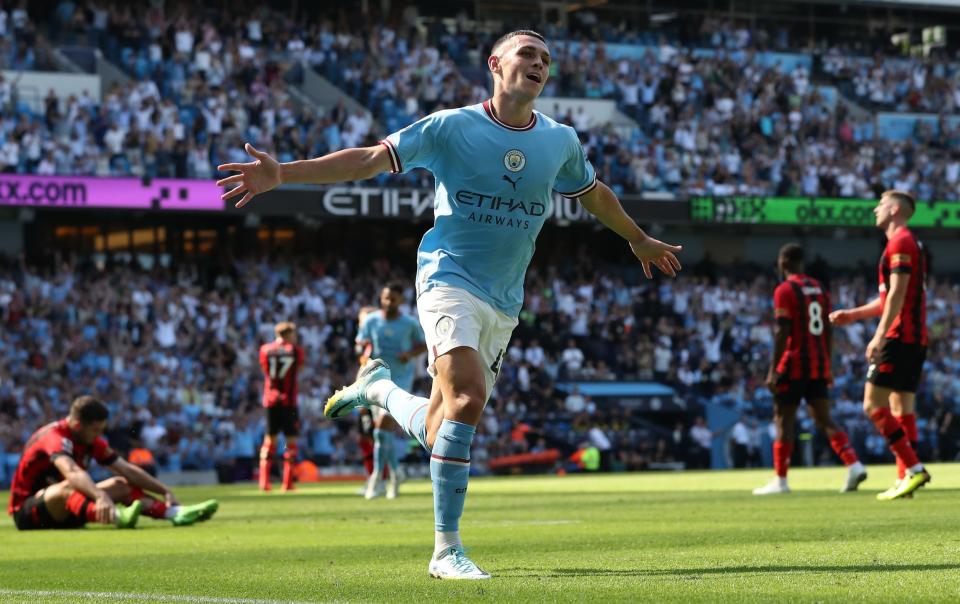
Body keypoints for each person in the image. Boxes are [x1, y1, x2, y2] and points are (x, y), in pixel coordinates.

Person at [218, 29, 682, 579]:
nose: (538, 64)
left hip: (504, 299)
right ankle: (446, 551)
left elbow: (593, 193)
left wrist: (636, 237)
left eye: (546, 59)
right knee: (468, 394)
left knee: (443, 426)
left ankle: (379, 389)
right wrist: (283, 175)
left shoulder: (559, 140)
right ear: (495, 64)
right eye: (527, 54)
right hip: (448, 277)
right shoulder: (451, 127)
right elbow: (370, 158)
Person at [829, 190, 931, 500]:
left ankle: (913, 469)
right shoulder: (905, 243)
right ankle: (906, 481)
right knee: (903, 408)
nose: (876, 208)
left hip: (899, 337)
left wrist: (879, 335)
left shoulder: (900, 243)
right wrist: (855, 315)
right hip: (915, 338)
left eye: (881, 204)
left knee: (873, 405)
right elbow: (890, 297)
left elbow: (897, 296)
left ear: (896, 209)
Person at [753, 243, 867, 496]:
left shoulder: (784, 290)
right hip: (817, 364)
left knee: (784, 419)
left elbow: (783, 330)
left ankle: (780, 481)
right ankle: (854, 464)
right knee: (824, 419)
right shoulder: (819, 289)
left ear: (782, 263)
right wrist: (827, 363)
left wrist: (773, 370)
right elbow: (827, 330)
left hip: (793, 364)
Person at [8, 396, 218, 531]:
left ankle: (175, 513)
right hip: (29, 514)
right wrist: (100, 495)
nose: (99, 436)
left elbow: (125, 469)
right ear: (78, 425)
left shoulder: (88, 438)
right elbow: (71, 471)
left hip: (72, 509)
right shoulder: (54, 437)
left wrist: (164, 490)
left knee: (120, 484)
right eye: (96, 430)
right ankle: (118, 517)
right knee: (69, 486)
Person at [356, 283, 426, 500]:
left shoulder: (409, 324)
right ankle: (395, 475)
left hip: (400, 380)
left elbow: (423, 344)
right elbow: (360, 343)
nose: (388, 302)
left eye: (393, 299)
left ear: (401, 301)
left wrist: (410, 354)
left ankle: (377, 478)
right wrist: (363, 351)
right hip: (375, 378)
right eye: (386, 298)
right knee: (380, 433)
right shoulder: (371, 320)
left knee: (383, 425)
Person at [258, 321, 305, 492]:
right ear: (287, 335)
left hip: (270, 400)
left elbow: (265, 370)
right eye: (293, 335)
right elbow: (298, 368)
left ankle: (264, 482)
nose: (295, 338)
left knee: (269, 440)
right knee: (290, 442)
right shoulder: (296, 351)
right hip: (289, 402)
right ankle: (287, 483)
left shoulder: (265, 350)